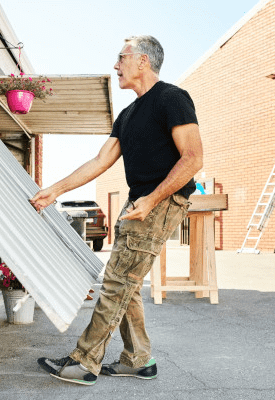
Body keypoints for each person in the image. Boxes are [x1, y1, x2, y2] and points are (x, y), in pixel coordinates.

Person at [30, 35, 203, 386]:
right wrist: (53, 191)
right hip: (138, 202)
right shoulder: (128, 114)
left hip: (161, 201)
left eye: (121, 57)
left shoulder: (172, 98)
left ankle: (84, 362)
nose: (115, 65)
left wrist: (152, 199)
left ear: (143, 60)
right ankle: (138, 360)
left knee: (115, 283)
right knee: (125, 282)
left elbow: (194, 158)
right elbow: (99, 161)